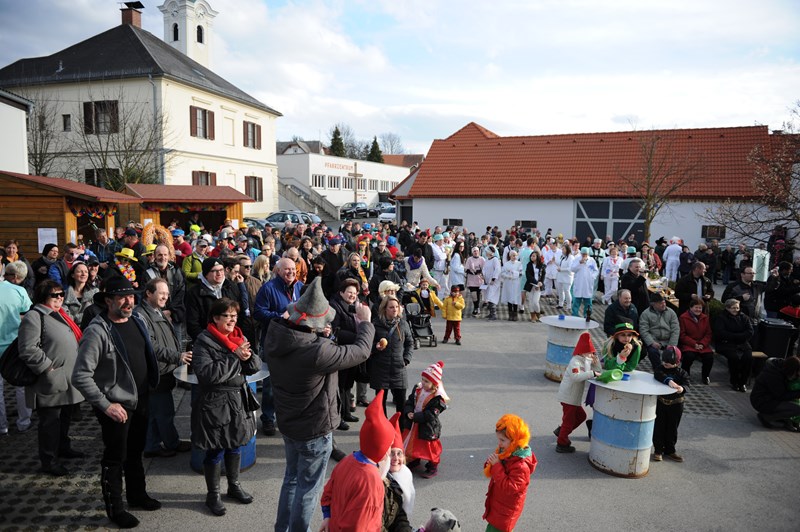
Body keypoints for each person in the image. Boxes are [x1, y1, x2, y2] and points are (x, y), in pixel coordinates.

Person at [263, 277, 374, 532]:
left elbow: (301, 336)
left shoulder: (277, 335)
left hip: (289, 424)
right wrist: (365, 323)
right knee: (308, 489)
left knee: (291, 480)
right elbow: (360, 352)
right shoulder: (317, 352)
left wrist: (316, 331)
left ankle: (283, 528)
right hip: (313, 429)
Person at [72, 276, 161, 529]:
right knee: (115, 457)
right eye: (121, 297)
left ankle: (137, 495)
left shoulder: (138, 320)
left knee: (135, 451)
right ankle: (115, 509)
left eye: (131, 296)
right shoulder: (97, 331)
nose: (128, 301)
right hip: (116, 406)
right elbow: (80, 375)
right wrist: (105, 404)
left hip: (141, 399)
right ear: (108, 301)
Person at [191, 298, 259, 516]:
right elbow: (207, 375)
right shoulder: (204, 341)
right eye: (227, 316)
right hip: (215, 404)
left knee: (236, 444)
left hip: (238, 401)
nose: (232, 320)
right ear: (216, 318)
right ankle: (213, 494)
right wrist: (235, 357)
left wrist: (248, 359)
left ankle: (234, 486)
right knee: (215, 449)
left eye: (234, 315)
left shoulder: (239, 337)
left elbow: (254, 366)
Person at [18, 279, 85, 475]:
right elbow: (28, 349)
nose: (60, 298)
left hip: (66, 378)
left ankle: (63, 447)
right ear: (43, 297)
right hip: (50, 380)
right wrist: (48, 368)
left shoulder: (60, 314)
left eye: (61, 294)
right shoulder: (34, 316)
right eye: (54, 295)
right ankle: (49, 460)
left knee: (64, 418)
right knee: (50, 422)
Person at [319, 390, 395, 531]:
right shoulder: (371, 481)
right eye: (389, 446)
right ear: (381, 448)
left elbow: (328, 492)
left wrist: (327, 516)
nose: (390, 450)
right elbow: (361, 524)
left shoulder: (347, 460)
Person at [134, 278, 192, 458]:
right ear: (149, 293)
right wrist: (177, 356)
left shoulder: (156, 311)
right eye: (161, 293)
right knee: (164, 411)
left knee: (156, 412)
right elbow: (151, 346)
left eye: (167, 294)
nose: (165, 297)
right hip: (157, 371)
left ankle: (152, 445)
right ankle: (170, 443)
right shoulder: (141, 315)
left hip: (165, 369)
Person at [254, 257, 304, 436]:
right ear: (278, 271)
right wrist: (279, 316)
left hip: (296, 342)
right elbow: (258, 312)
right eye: (287, 269)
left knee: (292, 382)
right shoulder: (268, 288)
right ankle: (268, 418)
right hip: (273, 342)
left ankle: (288, 417)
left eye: (293, 269)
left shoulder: (300, 286)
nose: (291, 272)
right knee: (270, 385)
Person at [483, 414, 537, 532]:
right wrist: (491, 463)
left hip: (506, 510)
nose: (500, 443)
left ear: (515, 440)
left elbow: (510, 488)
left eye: (502, 440)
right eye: (499, 439)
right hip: (500, 504)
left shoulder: (521, 465)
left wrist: (496, 465)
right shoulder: (508, 451)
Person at [0, 261, 33, 437]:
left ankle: (2, 426)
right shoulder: (18, 290)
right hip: (14, 345)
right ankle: (24, 422)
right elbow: (28, 315)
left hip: (10, 345)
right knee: (20, 385)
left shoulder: (17, 289)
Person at [401, 361, 449, 479]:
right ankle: (414, 458)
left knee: (429, 447)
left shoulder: (438, 398)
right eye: (423, 379)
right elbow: (410, 401)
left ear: (434, 383)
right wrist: (408, 412)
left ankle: (433, 465)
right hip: (414, 423)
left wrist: (416, 417)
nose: (423, 382)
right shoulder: (418, 389)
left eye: (426, 381)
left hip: (428, 426)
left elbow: (432, 414)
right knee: (413, 443)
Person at [555, 332, 601, 453]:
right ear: (583, 351)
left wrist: (596, 364)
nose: (592, 354)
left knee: (581, 416)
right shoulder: (575, 361)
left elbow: (597, 372)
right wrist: (592, 373)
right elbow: (576, 376)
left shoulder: (585, 361)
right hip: (568, 397)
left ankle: (562, 432)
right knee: (568, 421)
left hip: (574, 398)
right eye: (591, 352)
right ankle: (562, 442)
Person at [370, 295, 414, 415]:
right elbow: (368, 344)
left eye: (396, 307)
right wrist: (375, 347)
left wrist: (406, 359)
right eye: (391, 307)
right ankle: (383, 431)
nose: (395, 309)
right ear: (384, 309)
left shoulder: (403, 324)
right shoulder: (375, 324)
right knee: (380, 404)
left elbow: (410, 343)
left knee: (401, 404)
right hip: (380, 368)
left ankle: (399, 429)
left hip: (399, 368)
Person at [329, 279, 363, 431]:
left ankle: (347, 411)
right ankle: (340, 416)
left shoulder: (355, 306)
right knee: (340, 385)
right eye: (349, 292)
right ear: (341, 292)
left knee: (349, 383)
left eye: (355, 293)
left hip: (353, 351)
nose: (352, 295)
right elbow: (336, 330)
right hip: (342, 351)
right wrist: (358, 337)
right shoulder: (335, 306)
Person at [652, 346, 689, 463]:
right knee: (659, 427)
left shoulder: (682, 373)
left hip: (677, 404)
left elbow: (687, 385)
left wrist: (681, 388)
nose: (665, 364)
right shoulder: (660, 369)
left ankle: (670, 450)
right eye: (664, 361)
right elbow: (657, 374)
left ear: (677, 362)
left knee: (672, 428)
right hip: (662, 402)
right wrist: (669, 381)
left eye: (669, 362)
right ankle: (658, 450)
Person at [714, 298, 754, 392]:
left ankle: (743, 382)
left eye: (737, 308)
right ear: (727, 308)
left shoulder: (744, 317)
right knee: (734, 358)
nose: (735, 310)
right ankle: (734, 382)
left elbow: (750, 331)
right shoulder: (721, 318)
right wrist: (738, 336)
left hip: (742, 343)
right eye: (733, 308)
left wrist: (736, 336)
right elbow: (721, 333)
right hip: (726, 344)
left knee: (748, 358)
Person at [751, 356, 800, 431]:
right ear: (791, 370)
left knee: (793, 404)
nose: (796, 377)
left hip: (768, 397)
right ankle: (766, 417)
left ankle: (784, 419)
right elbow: (782, 396)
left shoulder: (780, 368)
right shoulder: (774, 374)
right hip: (761, 401)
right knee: (797, 409)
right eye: (796, 374)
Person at [384, 412, 415, 527]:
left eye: (399, 453)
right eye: (392, 453)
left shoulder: (404, 474)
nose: (396, 458)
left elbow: (398, 511)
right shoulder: (381, 480)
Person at [639, 292, 680, 368]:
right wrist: (651, 342)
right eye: (660, 303)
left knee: (672, 354)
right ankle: (658, 370)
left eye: (664, 302)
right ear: (653, 304)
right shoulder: (645, 314)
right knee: (653, 352)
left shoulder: (671, 313)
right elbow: (644, 330)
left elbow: (675, 329)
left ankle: (671, 371)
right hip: (654, 341)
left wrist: (672, 344)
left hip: (668, 341)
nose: (663, 304)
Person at [679, 297, 714, 384]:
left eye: (700, 308)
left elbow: (708, 333)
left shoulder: (705, 318)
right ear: (691, 307)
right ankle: (685, 376)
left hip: (703, 345)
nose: (698, 310)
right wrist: (694, 344)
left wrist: (702, 343)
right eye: (696, 307)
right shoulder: (683, 317)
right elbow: (682, 335)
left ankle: (705, 376)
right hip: (689, 344)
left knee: (709, 357)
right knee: (688, 357)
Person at [570, 247, 598, 319]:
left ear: (588, 254)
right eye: (583, 254)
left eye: (585, 254)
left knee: (588, 301)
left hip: (588, 283)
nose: (584, 256)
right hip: (579, 282)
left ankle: (587, 315)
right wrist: (579, 263)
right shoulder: (577, 259)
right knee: (577, 300)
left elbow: (596, 271)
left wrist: (592, 277)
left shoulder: (592, 260)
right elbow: (572, 269)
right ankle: (575, 314)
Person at [500, 249, 523, 320]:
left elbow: (521, 273)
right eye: (513, 255)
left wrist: (514, 273)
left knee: (515, 298)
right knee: (509, 297)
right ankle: (510, 314)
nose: (514, 257)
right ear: (510, 256)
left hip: (516, 283)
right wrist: (507, 276)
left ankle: (515, 314)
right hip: (508, 283)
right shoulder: (506, 264)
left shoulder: (519, 264)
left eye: (515, 255)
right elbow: (502, 273)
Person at [523, 250, 545, 322]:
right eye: (531, 256)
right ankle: (532, 316)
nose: (532, 257)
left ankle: (538, 314)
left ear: (537, 257)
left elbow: (543, 275)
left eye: (534, 256)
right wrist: (536, 282)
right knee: (530, 302)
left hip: (538, 286)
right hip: (530, 285)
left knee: (535, 302)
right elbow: (528, 276)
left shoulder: (541, 265)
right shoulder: (529, 265)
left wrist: (540, 282)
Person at [482, 246, 502, 321]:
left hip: (493, 282)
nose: (485, 253)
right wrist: (483, 275)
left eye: (486, 251)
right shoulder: (487, 260)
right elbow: (484, 269)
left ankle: (494, 315)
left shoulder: (495, 260)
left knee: (492, 296)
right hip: (487, 281)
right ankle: (490, 313)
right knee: (488, 295)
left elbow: (497, 269)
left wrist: (494, 278)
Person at [465, 246, 486, 317]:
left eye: (477, 251)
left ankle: (477, 308)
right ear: (472, 252)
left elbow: (485, 268)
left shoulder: (482, 259)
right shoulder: (469, 259)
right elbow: (466, 269)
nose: (476, 252)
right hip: (471, 280)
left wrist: (479, 271)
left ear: (479, 251)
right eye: (474, 251)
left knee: (479, 294)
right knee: (474, 295)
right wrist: (471, 272)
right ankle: (476, 307)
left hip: (480, 280)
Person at [554, 242, 575, 311]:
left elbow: (570, 268)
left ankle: (569, 306)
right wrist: (555, 261)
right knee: (560, 290)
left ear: (567, 250)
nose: (562, 251)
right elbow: (560, 263)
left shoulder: (571, 257)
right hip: (560, 276)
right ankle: (560, 304)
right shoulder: (563, 256)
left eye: (563, 249)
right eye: (562, 249)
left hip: (567, 277)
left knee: (567, 291)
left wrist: (561, 269)